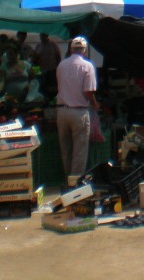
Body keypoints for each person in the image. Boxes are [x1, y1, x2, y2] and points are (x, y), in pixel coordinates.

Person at [55, 36, 99, 185]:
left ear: (71, 49)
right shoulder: (87, 66)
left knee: (65, 149)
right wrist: (94, 104)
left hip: (62, 111)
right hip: (79, 112)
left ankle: (68, 179)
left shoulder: (61, 65)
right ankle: (76, 182)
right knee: (79, 150)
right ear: (85, 50)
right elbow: (88, 92)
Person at [32, 32, 62, 98]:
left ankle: (53, 100)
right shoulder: (38, 45)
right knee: (44, 87)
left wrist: (57, 67)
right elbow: (35, 59)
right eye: (41, 35)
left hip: (52, 69)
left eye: (43, 35)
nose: (42, 37)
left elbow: (58, 56)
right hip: (42, 70)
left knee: (53, 87)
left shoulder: (53, 44)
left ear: (47, 35)